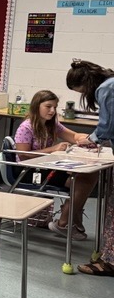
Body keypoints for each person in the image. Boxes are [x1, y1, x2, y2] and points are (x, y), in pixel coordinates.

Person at [14, 89, 98, 240]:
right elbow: (23, 155)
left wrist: (90, 138)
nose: (52, 111)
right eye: (48, 106)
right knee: (81, 181)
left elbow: (73, 136)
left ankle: (70, 217)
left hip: (47, 167)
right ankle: (65, 222)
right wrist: (53, 149)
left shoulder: (51, 124)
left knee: (89, 175)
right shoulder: (26, 127)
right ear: (37, 106)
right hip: (29, 171)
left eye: (55, 107)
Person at [65, 59, 114, 275]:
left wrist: (92, 139)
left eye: (82, 91)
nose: (85, 95)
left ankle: (110, 262)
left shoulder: (106, 88)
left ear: (87, 83)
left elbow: (107, 125)